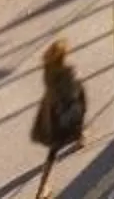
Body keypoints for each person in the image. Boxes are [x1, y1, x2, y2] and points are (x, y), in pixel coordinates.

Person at [28, 40, 87, 197]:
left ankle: (43, 186)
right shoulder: (68, 72)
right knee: (59, 143)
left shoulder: (48, 69)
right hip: (66, 111)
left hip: (52, 111)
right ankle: (43, 187)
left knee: (54, 147)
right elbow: (73, 92)